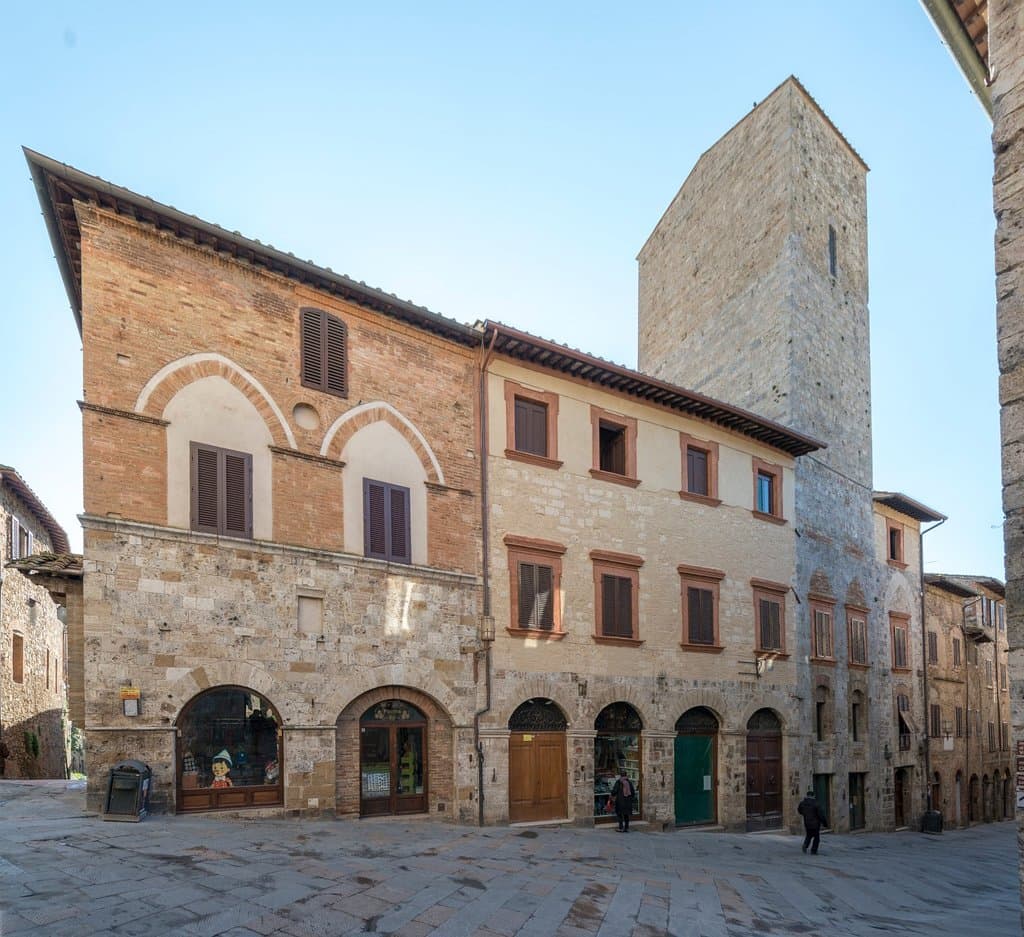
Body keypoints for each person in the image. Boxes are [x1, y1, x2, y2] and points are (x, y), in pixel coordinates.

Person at [798, 789, 826, 854]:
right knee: (816, 837)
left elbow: (799, 810)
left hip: (807, 822)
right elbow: (820, 814)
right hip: (815, 823)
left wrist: (805, 814)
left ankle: (805, 845)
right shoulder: (816, 803)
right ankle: (813, 850)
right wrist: (824, 822)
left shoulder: (802, 803)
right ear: (813, 796)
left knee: (809, 835)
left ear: (807, 796)